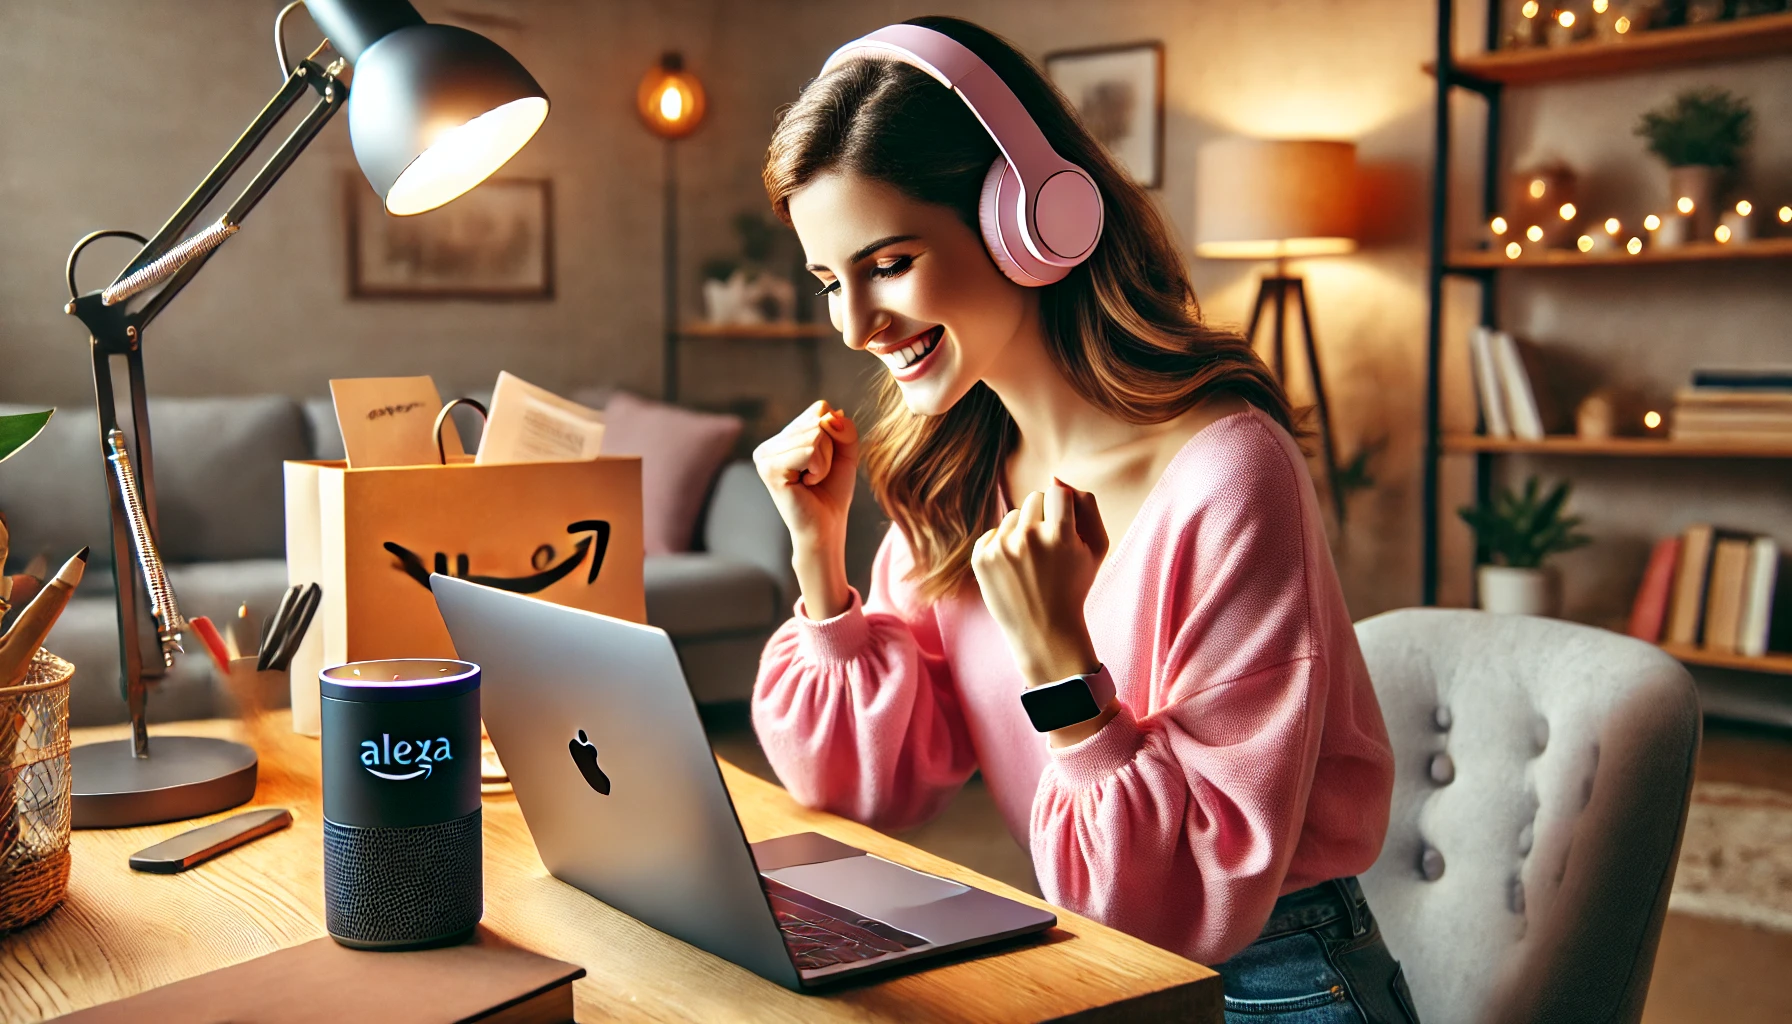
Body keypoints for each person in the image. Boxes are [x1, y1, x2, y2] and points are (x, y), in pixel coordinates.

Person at [750, 16, 1410, 1022]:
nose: (854, 324)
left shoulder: (1228, 470)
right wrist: (819, 565)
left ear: (1029, 217)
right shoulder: (953, 466)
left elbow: (1190, 893)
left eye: (887, 262)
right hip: (1090, 951)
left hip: (1271, 978)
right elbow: (870, 789)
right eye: (830, 280)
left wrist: (1059, 660)